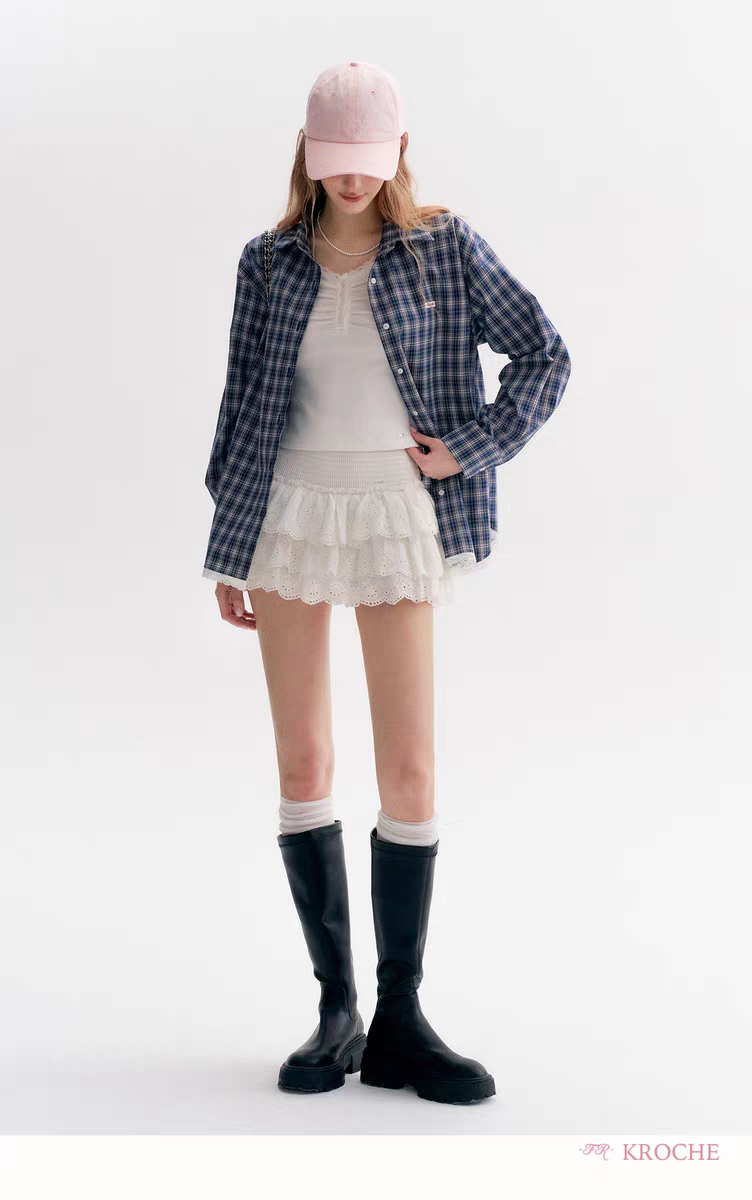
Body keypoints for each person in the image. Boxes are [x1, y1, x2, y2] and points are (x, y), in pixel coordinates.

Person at [201, 61, 571, 1105]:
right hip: (288, 514)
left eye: (368, 160)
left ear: (399, 152)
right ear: (307, 155)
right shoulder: (268, 261)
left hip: (398, 517)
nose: (352, 180)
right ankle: (337, 1010)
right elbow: (241, 405)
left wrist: (471, 446)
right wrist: (226, 550)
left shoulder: (445, 248)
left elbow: (544, 356)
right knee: (304, 758)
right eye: (335, 161)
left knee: (408, 770)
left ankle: (401, 1017)